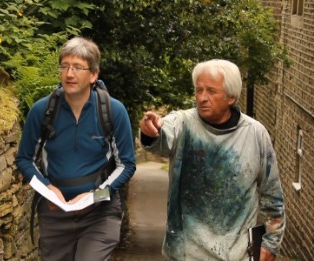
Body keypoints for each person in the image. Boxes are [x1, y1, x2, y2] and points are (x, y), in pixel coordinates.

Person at [139, 59, 285, 261]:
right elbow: (162, 138)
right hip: (185, 253)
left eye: (211, 91)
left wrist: (271, 243)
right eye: (198, 90)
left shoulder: (255, 134)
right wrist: (151, 133)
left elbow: (272, 195)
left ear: (231, 97)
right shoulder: (183, 123)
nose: (202, 98)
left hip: (236, 254)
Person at [15, 36, 136, 261]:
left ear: (93, 75)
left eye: (78, 67)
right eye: (65, 66)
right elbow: (24, 159)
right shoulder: (42, 111)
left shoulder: (113, 111)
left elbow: (126, 165)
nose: (69, 74)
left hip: (99, 213)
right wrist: (47, 188)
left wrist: (95, 196)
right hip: (54, 214)